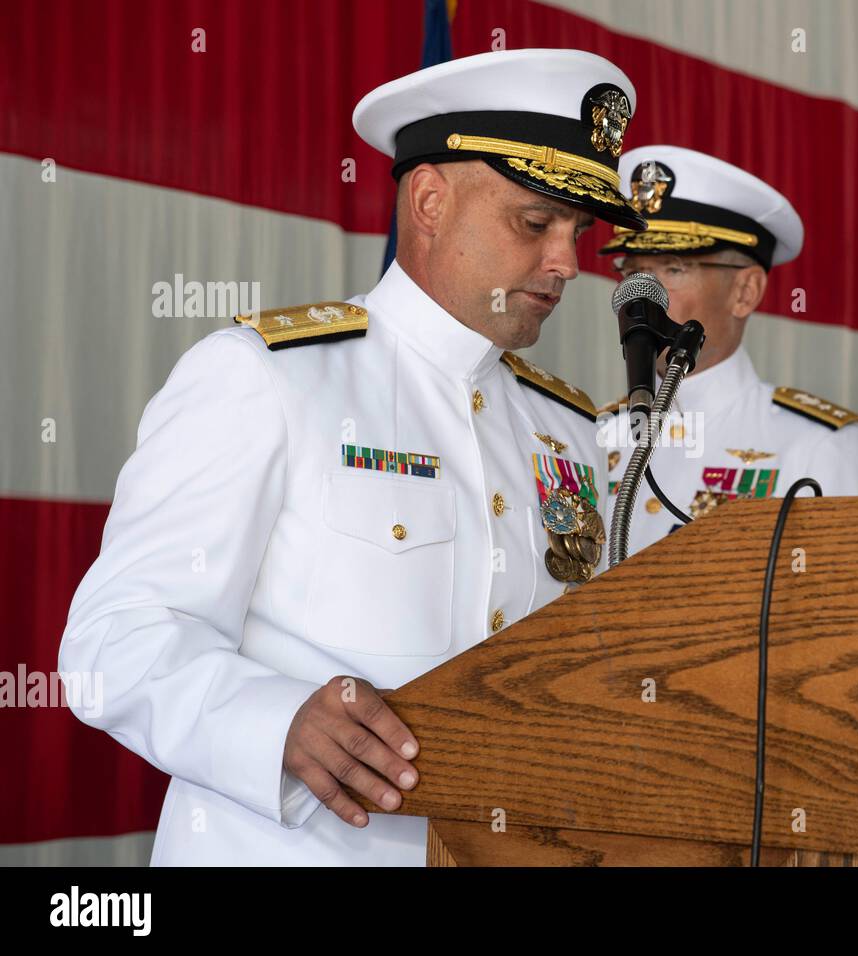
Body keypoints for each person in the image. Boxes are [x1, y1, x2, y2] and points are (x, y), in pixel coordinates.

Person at [58, 49, 645, 865]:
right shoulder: (267, 376)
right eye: (534, 222)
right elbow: (111, 643)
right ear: (431, 199)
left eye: (577, 231)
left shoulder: (568, 428)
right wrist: (276, 723)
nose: (566, 263)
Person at [596, 145, 858, 556]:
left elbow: (850, 605)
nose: (644, 296)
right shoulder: (593, 433)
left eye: (674, 268)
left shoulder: (815, 444)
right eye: (634, 271)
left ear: (745, 291)